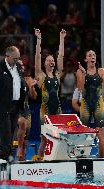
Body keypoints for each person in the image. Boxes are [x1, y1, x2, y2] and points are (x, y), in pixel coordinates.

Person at [0, 46, 37, 162]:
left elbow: (19, 84)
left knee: (10, 136)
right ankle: (4, 162)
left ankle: (5, 160)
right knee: (6, 137)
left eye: (18, 58)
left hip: (16, 106)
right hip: (3, 106)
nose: (17, 60)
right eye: (15, 58)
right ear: (7, 56)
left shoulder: (18, 67)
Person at [34, 28, 65, 160]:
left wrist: (62, 39)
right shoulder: (40, 75)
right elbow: (37, 57)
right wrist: (38, 40)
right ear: (44, 63)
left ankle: (57, 158)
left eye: (52, 61)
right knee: (44, 139)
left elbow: (61, 56)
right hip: (45, 110)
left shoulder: (58, 75)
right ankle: (40, 160)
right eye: (49, 61)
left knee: (59, 137)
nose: (52, 62)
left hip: (57, 109)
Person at [76, 50, 104, 157]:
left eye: (94, 55)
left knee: (99, 132)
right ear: (85, 59)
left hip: (98, 104)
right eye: (89, 55)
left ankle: (101, 158)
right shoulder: (80, 71)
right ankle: (83, 157)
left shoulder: (101, 71)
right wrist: (84, 73)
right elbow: (80, 88)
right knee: (84, 133)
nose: (92, 57)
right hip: (86, 104)